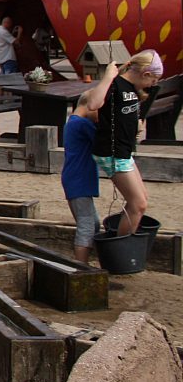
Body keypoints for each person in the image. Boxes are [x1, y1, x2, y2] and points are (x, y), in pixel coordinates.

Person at [84, 51, 159, 239]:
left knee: (141, 199)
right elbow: (93, 104)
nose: (152, 85)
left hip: (123, 151)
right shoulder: (115, 84)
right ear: (145, 74)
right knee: (138, 204)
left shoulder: (131, 87)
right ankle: (124, 243)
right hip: (112, 152)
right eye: (153, 80)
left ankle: (125, 237)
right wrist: (108, 76)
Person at [61, 100, 101, 263]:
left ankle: (85, 262)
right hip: (80, 180)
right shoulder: (82, 124)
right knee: (87, 225)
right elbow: (103, 141)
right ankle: (81, 266)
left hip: (76, 179)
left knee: (94, 224)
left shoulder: (72, 122)